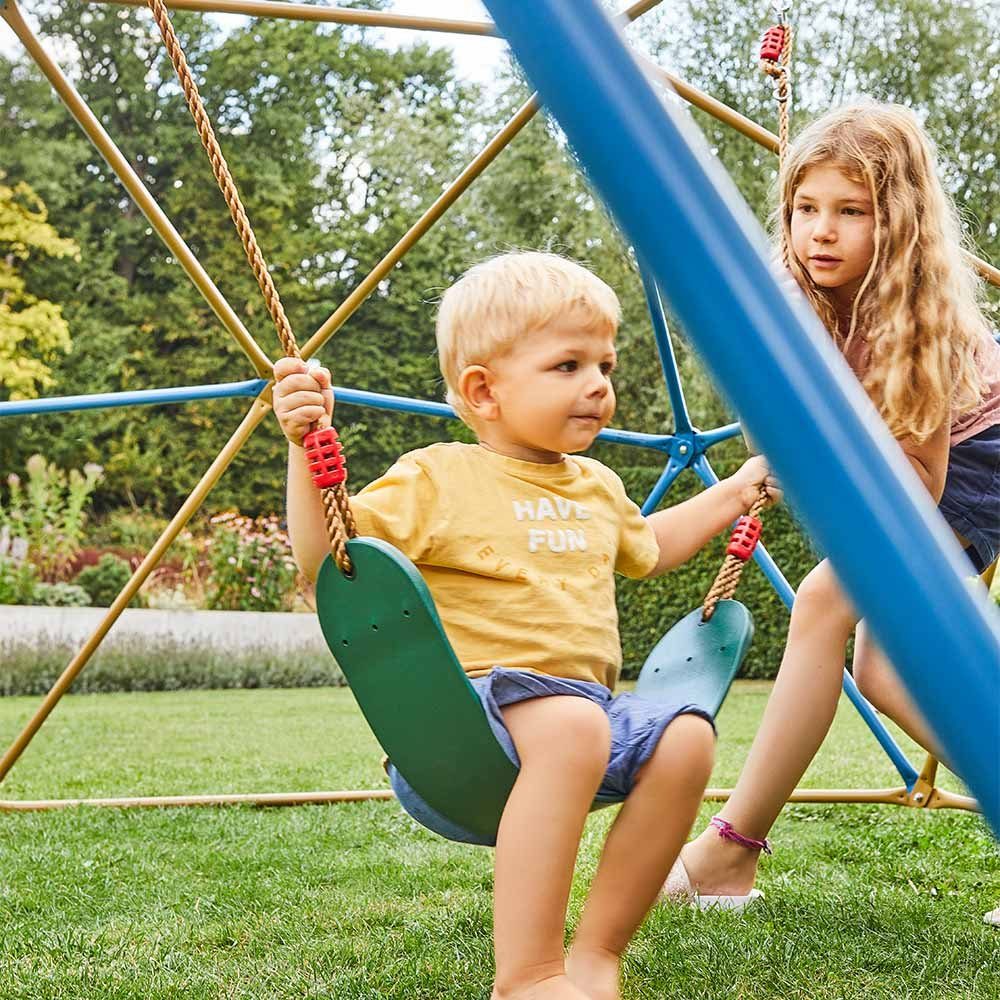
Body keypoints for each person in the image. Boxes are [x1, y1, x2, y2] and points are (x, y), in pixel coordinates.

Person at [273, 250, 781, 1000]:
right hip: (465, 733)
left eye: (604, 364)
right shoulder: (437, 476)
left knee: (686, 738)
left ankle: (597, 953)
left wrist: (737, 492)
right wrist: (302, 447)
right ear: (484, 391)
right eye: (568, 365)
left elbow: (651, 548)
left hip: (583, 723)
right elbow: (330, 560)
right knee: (576, 725)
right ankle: (528, 976)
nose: (599, 385)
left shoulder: (598, 487)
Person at [663, 103, 1000, 921]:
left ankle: (727, 855)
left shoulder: (921, 322)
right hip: (919, 465)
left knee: (822, 600)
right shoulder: (798, 288)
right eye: (806, 208)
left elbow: (918, 488)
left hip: (979, 460)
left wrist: (814, 458)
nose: (823, 231)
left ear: (899, 221)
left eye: (853, 212)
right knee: (880, 670)